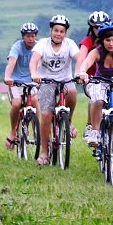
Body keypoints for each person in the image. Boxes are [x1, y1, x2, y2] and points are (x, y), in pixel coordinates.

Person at [28, 14, 79, 165]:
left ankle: (68, 121)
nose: (58, 34)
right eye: (56, 30)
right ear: (51, 30)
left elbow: (79, 57)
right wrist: (34, 73)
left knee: (73, 92)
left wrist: (81, 71)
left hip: (65, 79)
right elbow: (34, 60)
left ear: (65, 33)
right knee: (46, 114)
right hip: (46, 81)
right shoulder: (42, 44)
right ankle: (44, 151)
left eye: (62, 31)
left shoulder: (70, 44)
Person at [75, 21, 113, 155]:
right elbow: (86, 62)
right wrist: (82, 72)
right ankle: (95, 132)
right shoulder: (96, 52)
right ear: (102, 41)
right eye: (108, 40)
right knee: (98, 100)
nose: (111, 43)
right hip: (99, 83)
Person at [76, 10, 111, 148]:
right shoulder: (88, 41)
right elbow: (81, 58)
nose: (99, 29)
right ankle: (91, 126)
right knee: (95, 96)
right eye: (96, 27)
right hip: (90, 78)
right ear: (92, 28)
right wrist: (80, 73)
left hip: (110, 77)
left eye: (102, 26)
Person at [3, 22, 38, 151]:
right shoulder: (17, 47)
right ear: (23, 37)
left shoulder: (38, 47)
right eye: (28, 36)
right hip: (15, 82)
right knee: (17, 104)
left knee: (34, 101)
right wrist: (7, 77)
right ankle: (13, 131)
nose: (31, 39)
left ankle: (37, 131)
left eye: (33, 36)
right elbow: (11, 62)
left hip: (31, 82)